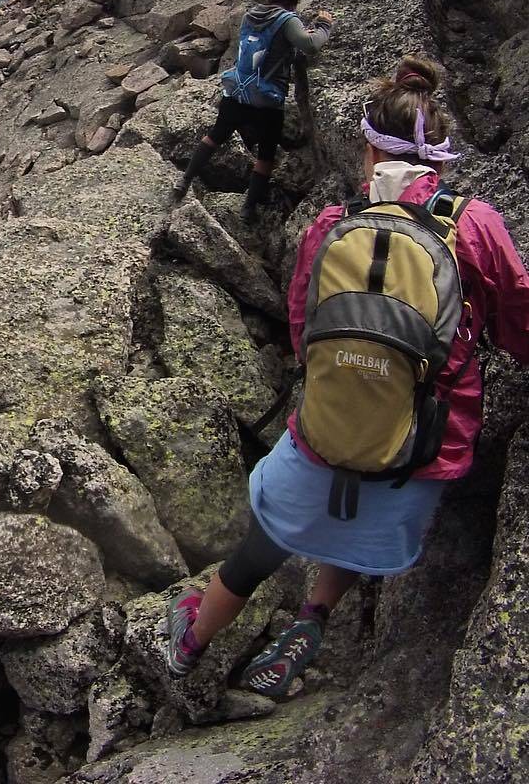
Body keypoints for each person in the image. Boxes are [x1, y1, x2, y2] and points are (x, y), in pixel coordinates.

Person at [162, 56, 529, 696]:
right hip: (424, 448)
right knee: (364, 509)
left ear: (368, 149)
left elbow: (303, 328)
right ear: (441, 164)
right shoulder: (475, 226)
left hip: (326, 428)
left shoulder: (333, 227)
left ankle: (191, 640)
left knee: (269, 537)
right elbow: (518, 316)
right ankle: (315, 615)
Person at [173, 0, 333, 221]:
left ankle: (184, 180)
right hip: (266, 99)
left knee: (215, 136)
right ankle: (247, 209)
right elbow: (310, 45)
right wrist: (324, 26)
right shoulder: (288, 19)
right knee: (266, 154)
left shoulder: (251, 15)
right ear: (293, 4)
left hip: (237, 90)